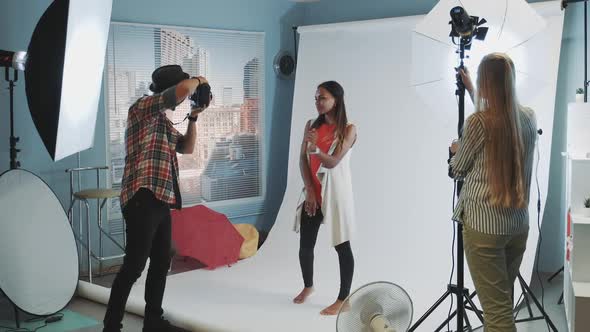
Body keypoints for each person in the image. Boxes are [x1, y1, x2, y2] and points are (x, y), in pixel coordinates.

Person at [103, 65, 209, 332]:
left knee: (161, 262)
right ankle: (111, 326)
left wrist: (193, 118)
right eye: (182, 89)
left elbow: (186, 147)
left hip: (160, 197)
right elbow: (180, 92)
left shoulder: (161, 119)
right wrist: (199, 80)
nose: (186, 96)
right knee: (135, 265)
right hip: (142, 196)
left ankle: (152, 321)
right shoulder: (143, 107)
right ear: (170, 88)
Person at [449, 53, 537, 332]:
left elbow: (458, 169)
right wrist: (472, 92)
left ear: (486, 82)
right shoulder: (527, 118)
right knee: (500, 302)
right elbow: (500, 124)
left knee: (497, 314)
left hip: (484, 229)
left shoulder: (477, 123)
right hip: (516, 226)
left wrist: (455, 151)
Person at [292, 81, 357, 316]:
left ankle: (344, 298)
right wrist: (309, 189)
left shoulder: (348, 129)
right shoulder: (311, 125)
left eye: (323, 98)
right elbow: (302, 160)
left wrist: (314, 149)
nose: (318, 102)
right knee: (305, 246)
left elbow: (333, 162)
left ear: (336, 100)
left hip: (337, 194)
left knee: (342, 245)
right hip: (314, 193)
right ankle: (308, 286)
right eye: (316, 98)